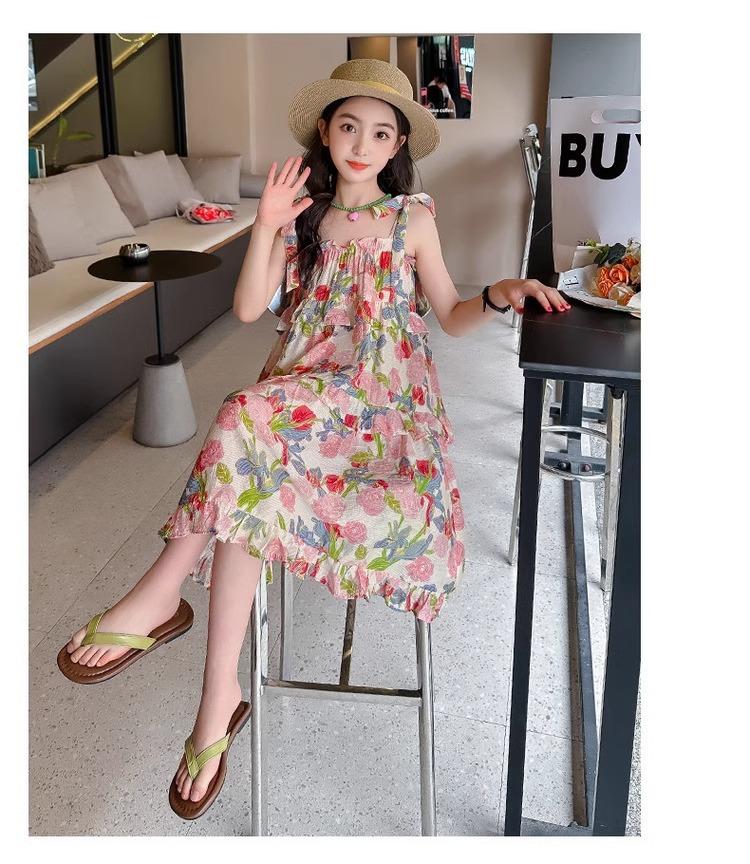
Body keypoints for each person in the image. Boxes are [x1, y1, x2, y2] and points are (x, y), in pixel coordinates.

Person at [56, 59, 570, 820]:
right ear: (325, 133)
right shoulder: (305, 218)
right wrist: (266, 225)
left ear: (397, 145)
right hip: (303, 402)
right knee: (248, 455)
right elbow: (247, 309)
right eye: (349, 126)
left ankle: (164, 602)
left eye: (381, 133)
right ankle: (217, 698)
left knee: (243, 424)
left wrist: (498, 293)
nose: (362, 144)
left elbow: (450, 316)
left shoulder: (412, 217)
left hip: (385, 411)